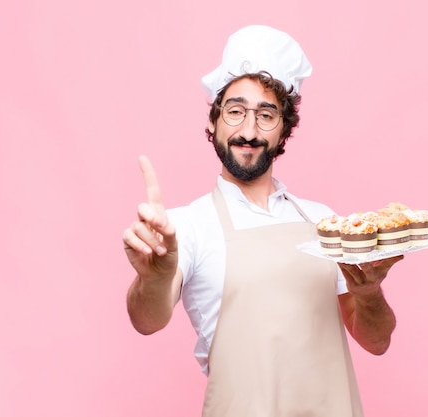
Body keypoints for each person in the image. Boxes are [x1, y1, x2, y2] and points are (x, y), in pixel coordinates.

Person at [122, 25, 404, 417]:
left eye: (266, 115)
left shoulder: (324, 221)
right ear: (214, 121)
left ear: (284, 129)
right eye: (235, 111)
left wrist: (370, 294)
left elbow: (376, 342)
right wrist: (152, 278)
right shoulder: (186, 227)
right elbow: (146, 320)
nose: (248, 131)